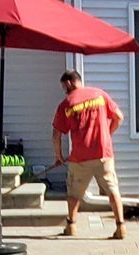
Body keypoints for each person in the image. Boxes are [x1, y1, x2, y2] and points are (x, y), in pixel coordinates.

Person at [52, 68, 126, 239]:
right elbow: (119, 117)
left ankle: (71, 226)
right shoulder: (100, 95)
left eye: (64, 87)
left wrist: (58, 156)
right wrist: (107, 134)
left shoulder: (67, 104)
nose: (64, 91)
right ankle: (120, 226)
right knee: (113, 190)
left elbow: (56, 134)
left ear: (69, 83)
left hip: (80, 158)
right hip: (103, 153)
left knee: (74, 193)